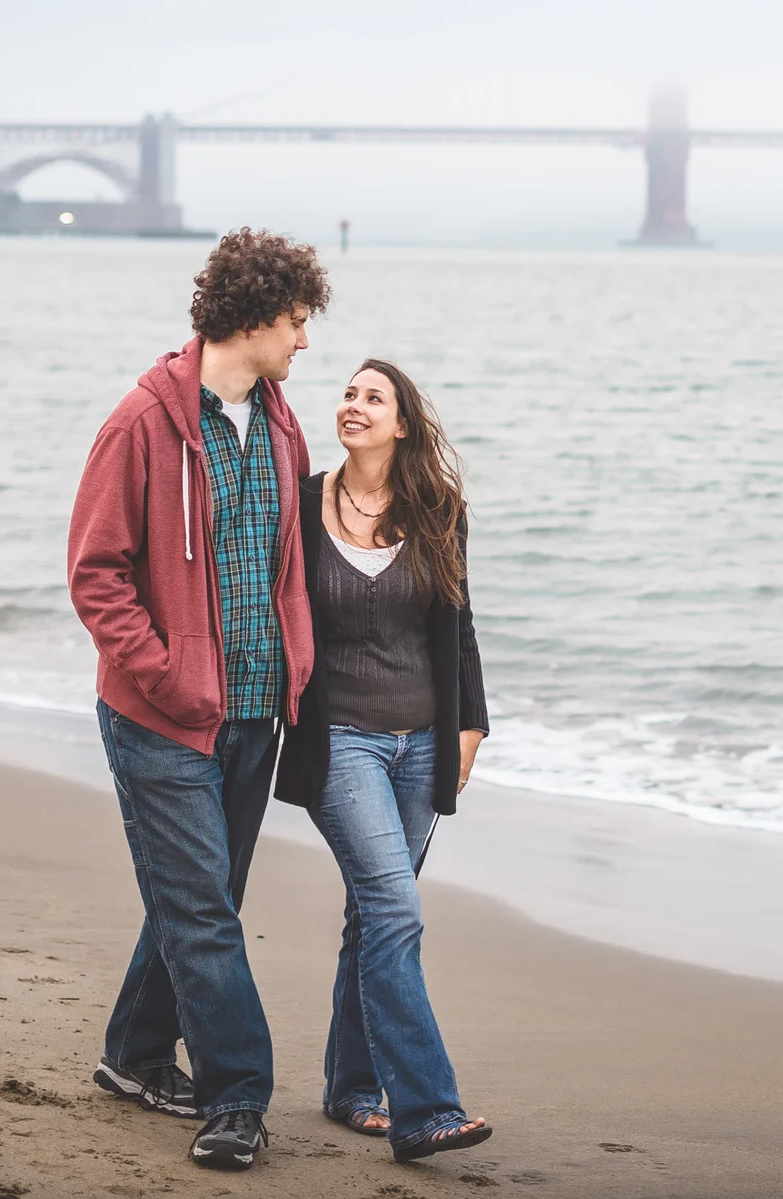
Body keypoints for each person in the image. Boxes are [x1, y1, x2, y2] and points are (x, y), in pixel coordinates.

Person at [67, 228, 330, 1173]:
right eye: (298, 322)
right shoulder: (141, 424)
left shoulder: (284, 422)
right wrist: (167, 675)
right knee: (206, 915)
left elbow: (284, 564)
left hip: (257, 712)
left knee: (202, 900)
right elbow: (96, 575)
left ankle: (134, 1054)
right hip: (160, 718)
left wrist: (297, 667)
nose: (306, 341)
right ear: (256, 317)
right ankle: (239, 1096)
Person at [275, 359, 492, 1163]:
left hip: (425, 743)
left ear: (402, 423)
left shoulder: (440, 508)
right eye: (348, 393)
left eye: (374, 397)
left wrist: (471, 725)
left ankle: (349, 1088)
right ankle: (427, 1108)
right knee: (397, 911)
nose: (353, 405)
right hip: (343, 744)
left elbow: (459, 625)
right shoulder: (301, 502)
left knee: (372, 915)